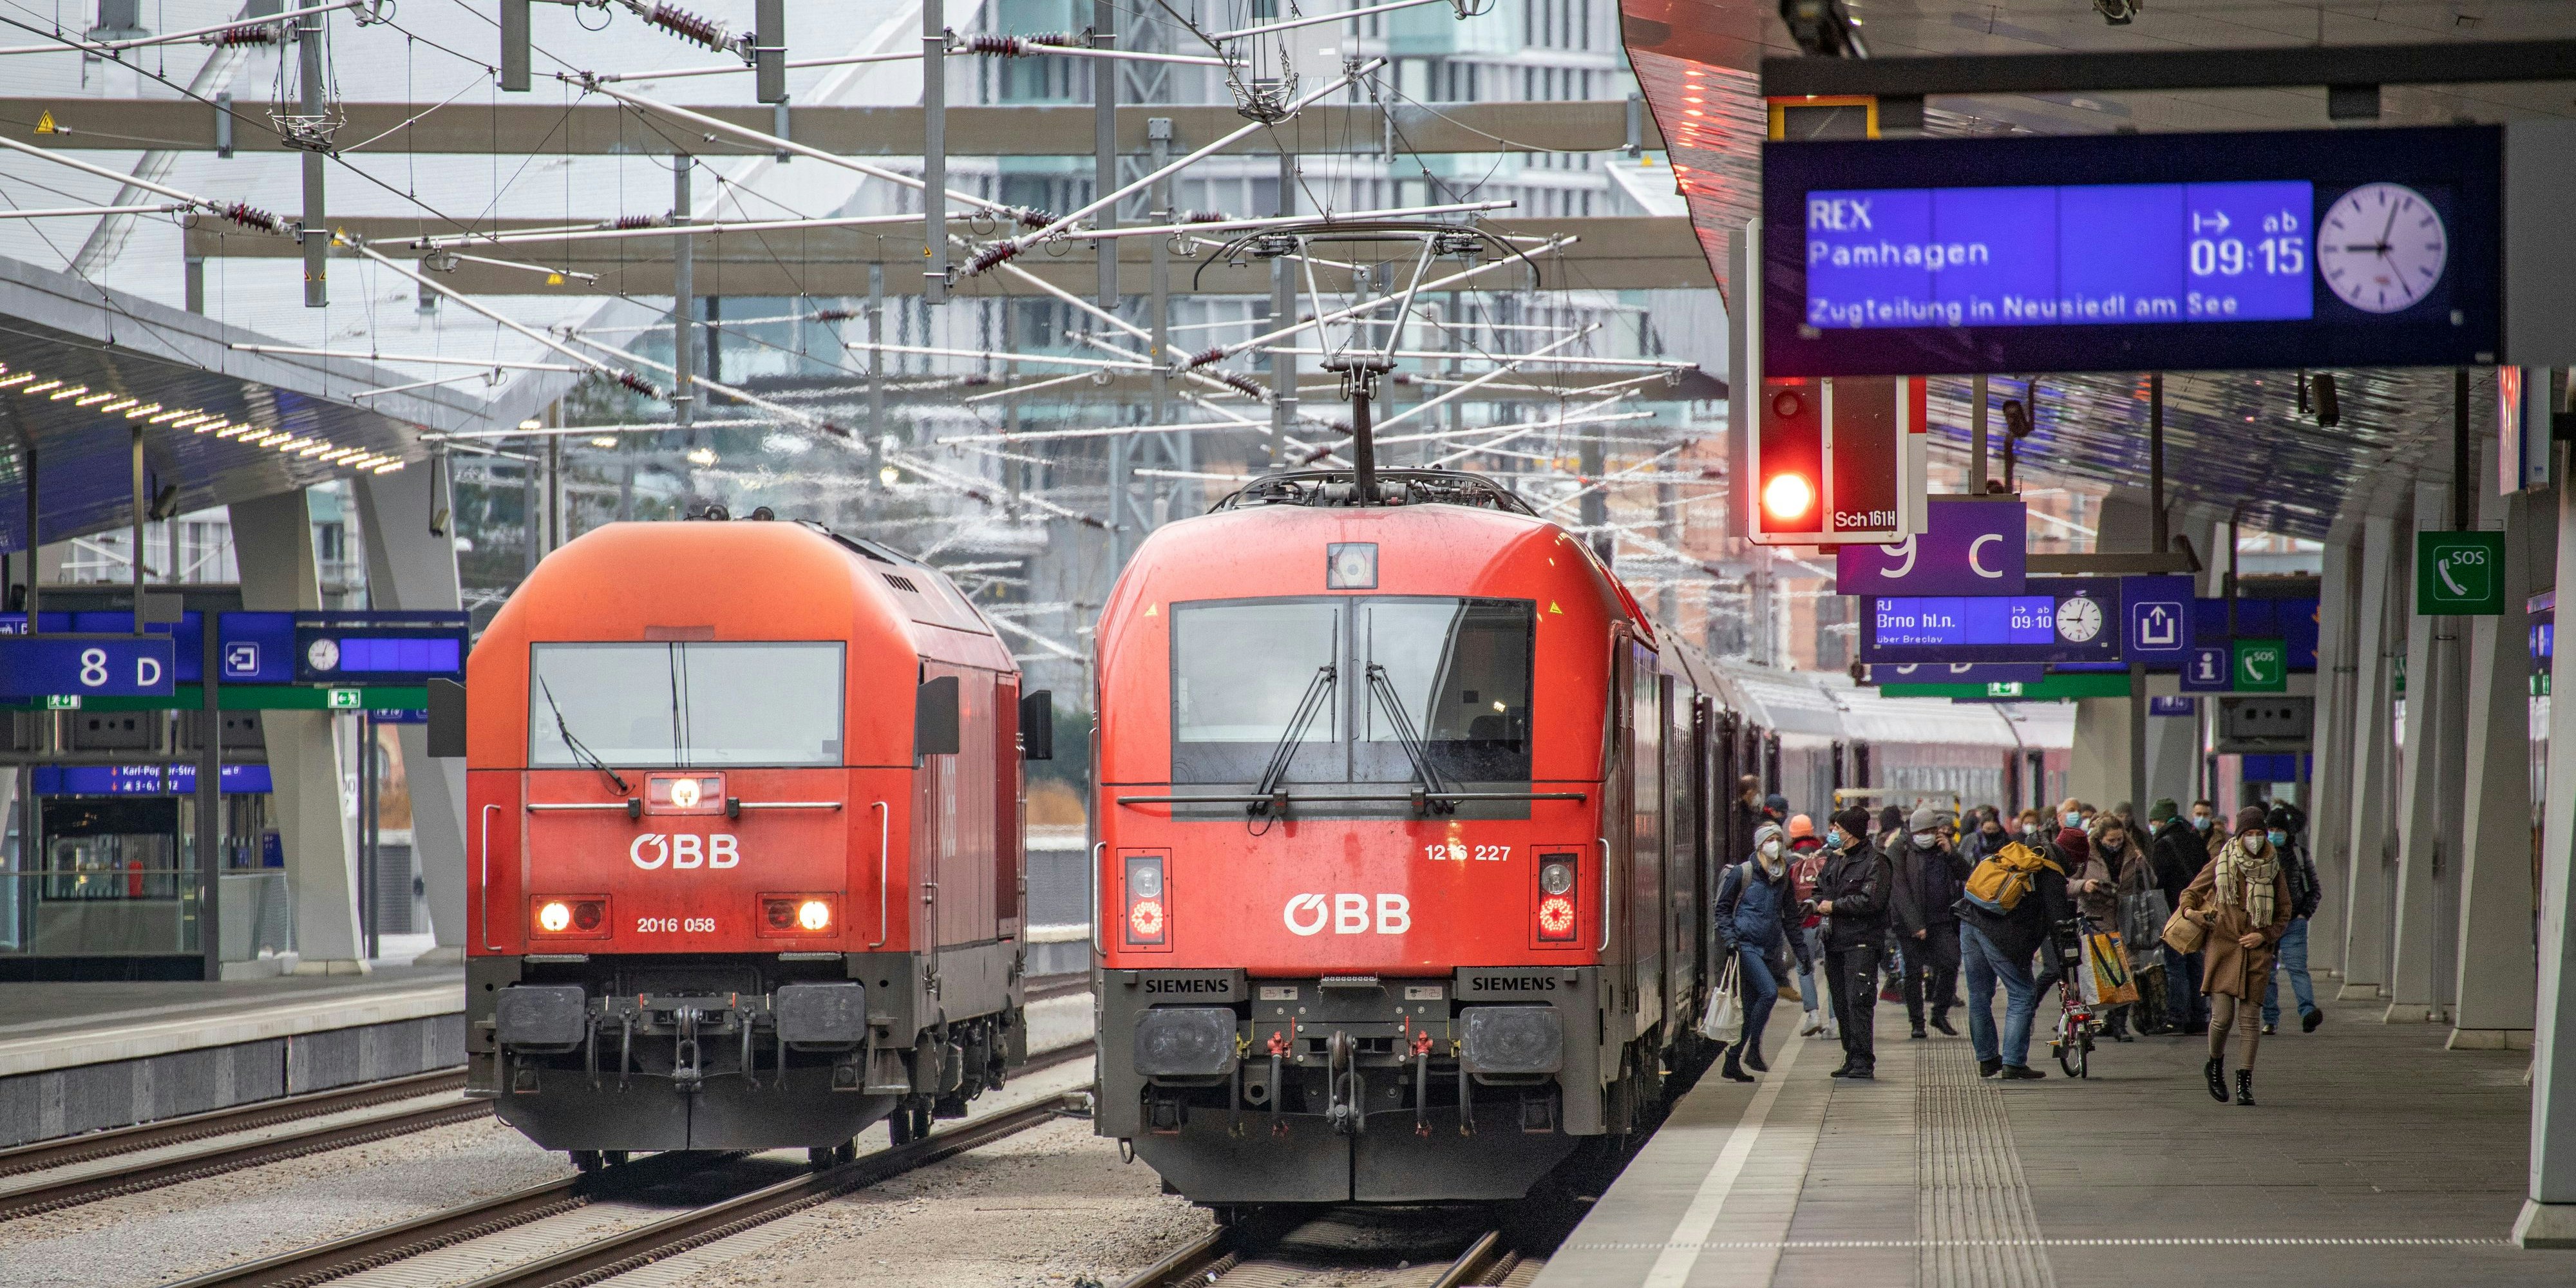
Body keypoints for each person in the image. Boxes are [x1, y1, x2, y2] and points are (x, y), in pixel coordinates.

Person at [2179, 804, 2295, 1106]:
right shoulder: (2222, 861)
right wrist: (2192, 913)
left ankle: (2245, 1081)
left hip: (2256, 951)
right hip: (2223, 948)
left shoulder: (2273, 867)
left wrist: (2265, 935)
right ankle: (2214, 1064)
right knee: (2221, 1019)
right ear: (2240, 835)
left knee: (2249, 1021)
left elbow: (2284, 911)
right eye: (2249, 834)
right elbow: (2188, 895)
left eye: (2260, 833)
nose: (2255, 839)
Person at [1955, 826, 2072, 1079]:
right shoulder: (2051, 872)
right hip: (1997, 931)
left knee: (1979, 995)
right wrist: (2066, 961)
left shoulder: (2020, 851)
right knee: (2022, 993)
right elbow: (2058, 924)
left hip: (1970, 918)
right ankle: (2013, 1062)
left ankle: (1987, 1059)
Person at [1714, 822, 1814, 1082]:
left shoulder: (1783, 878)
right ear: (1760, 844)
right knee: (1769, 992)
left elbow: (1790, 918)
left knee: (1749, 1007)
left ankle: (1732, 1061)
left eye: (1778, 839)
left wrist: (1801, 951)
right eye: (1770, 839)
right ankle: (1754, 1049)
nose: (1775, 844)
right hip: (1745, 946)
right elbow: (1722, 909)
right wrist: (1730, 938)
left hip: (1768, 949)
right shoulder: (1743, 873)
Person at [1813, 806, 1893, 1079]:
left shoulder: (1876, 862)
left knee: (1859, 999)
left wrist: (1833, 906)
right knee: (1841, 1001)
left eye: (1840, 830)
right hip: (1835, 941)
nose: (1834, 833)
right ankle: (1851, 1055)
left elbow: (1872, 901)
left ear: (1853, 834)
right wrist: (1815, 903)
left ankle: (1863, 1060)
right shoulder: (1835, 859)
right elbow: (1821, 888)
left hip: (1861, 941)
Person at [1890, 805, 1969, 1039]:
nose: (1930, 835)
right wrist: (1915, 925)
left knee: (1951, 961)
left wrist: (1951, 853)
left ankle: (1939, 1012)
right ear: (1914, 832)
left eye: (1933, 830)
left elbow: (1967, 874)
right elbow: (1899, 889)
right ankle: (1917, 1022)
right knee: (1913, 972)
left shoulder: (1942, 849)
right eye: (1925, 831)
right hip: (1909, 923)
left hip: (1941, 919)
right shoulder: (1900, 849)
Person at [2260, 802, 2324, 1036]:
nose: (2275, 834)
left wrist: (2303, 914)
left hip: (2293, 922)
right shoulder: (2259, 856)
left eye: (2280, 830)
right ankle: (2270, 1019)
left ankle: (2308, 1013)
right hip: (2265, 923)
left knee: (2297, 969)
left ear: (2288, 833)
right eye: (2272, 830)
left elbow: (2315, 889)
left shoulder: (2298, 855)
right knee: (2267, 972)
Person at [2148, 798, 2211, 1035]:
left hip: (2174, 910)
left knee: (2175, 966)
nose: (2152, 825)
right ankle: (2199, 1015)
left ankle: (2177, 1016)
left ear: (2161, 820)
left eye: (2153, 820)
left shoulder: (2163, 844)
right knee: (2195, 964)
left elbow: (2157, 881)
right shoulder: (2195, 837)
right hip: (2196, 908)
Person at [2078, 816, 2140, 1041]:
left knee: (2126, 970)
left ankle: (2119, 1024)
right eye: (2111, 840)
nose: (2116, 844)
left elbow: (2149, 880)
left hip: (2124, 916)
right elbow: (2068, 881)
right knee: (2103, 971)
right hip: (2096, 916)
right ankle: (2094, 1021)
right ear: (2100, 838)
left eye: (2119, 839)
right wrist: (2083, 885)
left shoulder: (2133, 853)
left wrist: (2142, 868)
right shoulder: (2087, 854)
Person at [1785, 814, 1832, 1038]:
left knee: (1805, 970)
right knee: (1833, 970)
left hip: (1803, 924)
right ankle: (1834, 1022)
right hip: (1826, 922)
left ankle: (1813, 1015)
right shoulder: (1827, 855)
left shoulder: (1789, 862)